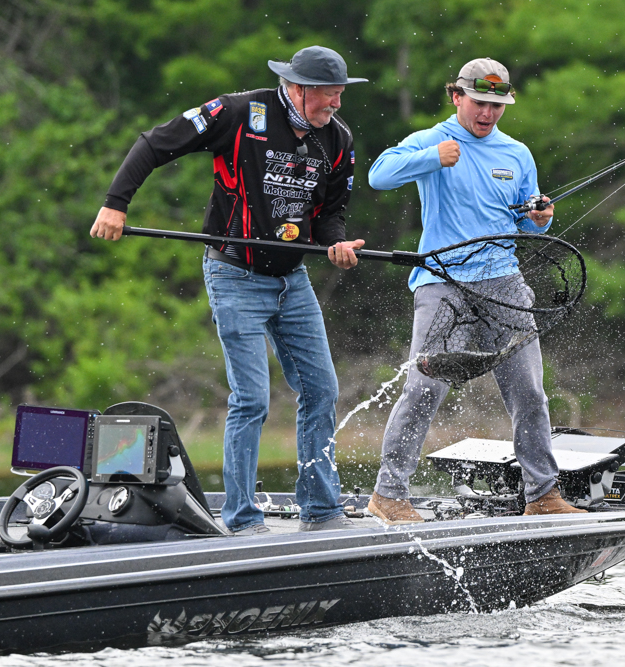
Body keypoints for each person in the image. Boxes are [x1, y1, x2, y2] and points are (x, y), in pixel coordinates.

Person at [91, 46, 368, 535]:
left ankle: (322, 510)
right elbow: (155, 143)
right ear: (297, 88)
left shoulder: (338, 139)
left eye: (340, 94)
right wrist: (116, 203)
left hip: (293, 280)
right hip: (234, 274)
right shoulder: (237, 112)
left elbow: (331, 215)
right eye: (329, 95)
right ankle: (242, 518)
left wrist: (337, 244)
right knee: (252, 398)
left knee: (322, 390)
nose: (336, 104)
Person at [366, 57, 586, 523]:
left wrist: (541, 217)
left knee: (529, 392)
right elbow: (379, 175)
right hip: (441, 282)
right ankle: (388, 495)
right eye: (478, 102)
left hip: (503, 282)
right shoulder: (433, 139)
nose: (487, 113)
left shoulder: (516, 153)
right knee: (423, 388)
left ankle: (542, 495)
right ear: (456, 97)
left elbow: (528, 217)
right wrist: (433, 158)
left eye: (496, 105)